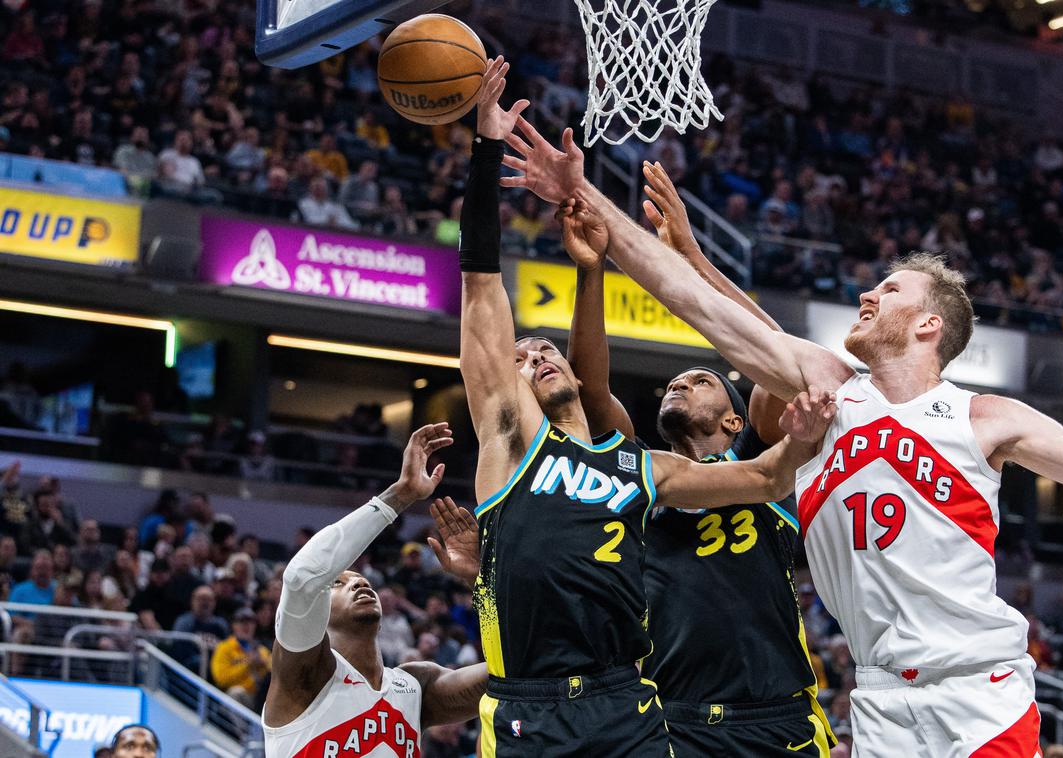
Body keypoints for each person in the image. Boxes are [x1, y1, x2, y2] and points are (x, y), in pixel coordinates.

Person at [502, 120, 1063, 755]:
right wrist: (582, 192)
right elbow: (697, 302)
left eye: (888, 290)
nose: (868, 297)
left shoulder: (986, 417)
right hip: (879, 697)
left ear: (928, 326)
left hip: (982, 689)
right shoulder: (828, 391)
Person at [457, 58, 816, 757]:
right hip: (559, 706)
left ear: (736, 418)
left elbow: (771, 470)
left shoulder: (641, 467)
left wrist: (804, 439)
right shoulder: (515, 440)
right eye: (524, 357)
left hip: (655, 707)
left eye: (546, 350)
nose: (539, 358)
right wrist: (484, 151)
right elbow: (482, 293)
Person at [556, 162, 833, 755]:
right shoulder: (640, 469)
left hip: (777, 714)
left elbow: (782, 359)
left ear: (735, 420)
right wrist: (591, 272)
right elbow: (591, 391)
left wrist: (694, 259)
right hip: (671, 717)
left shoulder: (766, 456)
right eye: (677, 382)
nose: (680, 383)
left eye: (701, 378)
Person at [262, 424, 489, 756]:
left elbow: (515, 668)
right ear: (317, 612)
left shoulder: (414, 686)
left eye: (362, 580)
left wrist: (481, 582)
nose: (357, 582)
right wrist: (402, 494)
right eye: (338, 583)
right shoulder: (305, 672)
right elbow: (303, 577)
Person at [211, 607, 272, 707]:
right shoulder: (224, 648)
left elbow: (273, 675)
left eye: (250, 622)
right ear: (234, 625)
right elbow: (221, 679)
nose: (246, 626)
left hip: (259, 697)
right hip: (234, 696)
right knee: (236, 693)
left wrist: (264, 665)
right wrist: (247, 664)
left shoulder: (262, 650)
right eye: (242, 622)